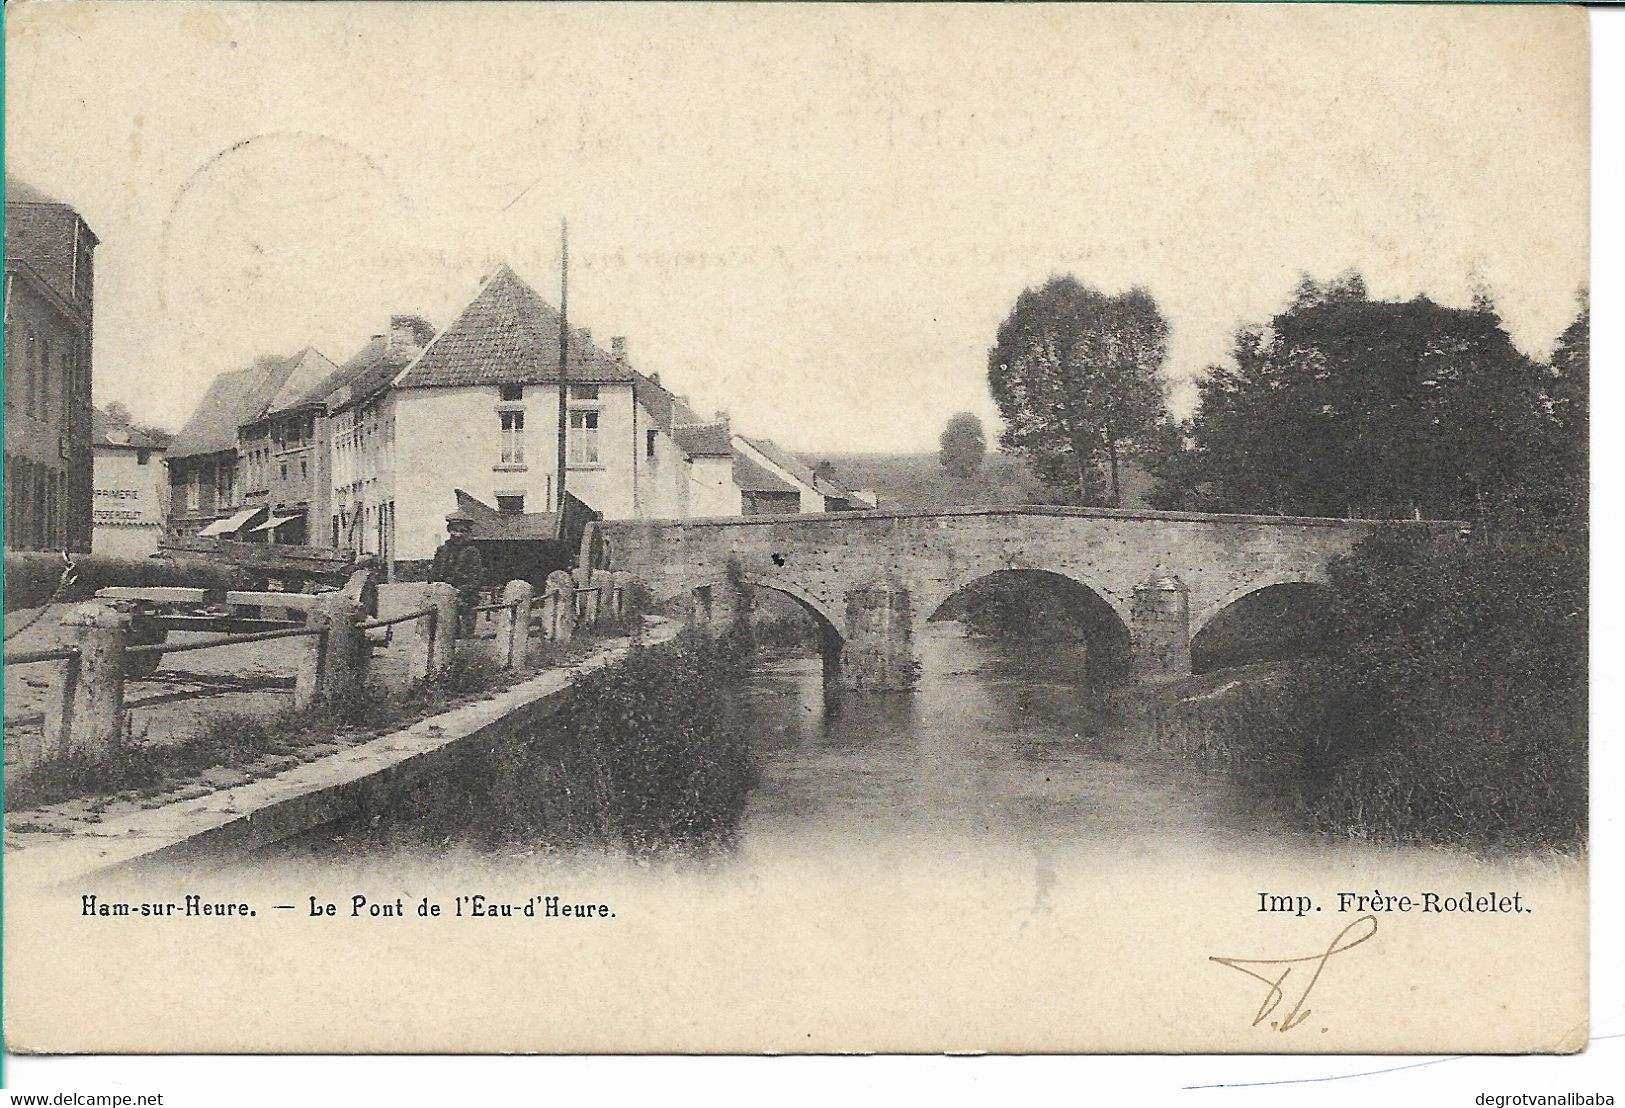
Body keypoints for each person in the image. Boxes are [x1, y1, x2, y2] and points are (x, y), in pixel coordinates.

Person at [430, 511, 485, 636]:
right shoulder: (442, 551)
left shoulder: (472, 552)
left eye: (462, 531)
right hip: (443, 599)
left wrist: (460, 592)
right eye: (454, 530)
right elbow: (433, 575)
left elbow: (476, 580)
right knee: (443, 635)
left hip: (465, 600)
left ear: (468, 532)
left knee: (464, 638)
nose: (458, 534)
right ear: (449, 530)